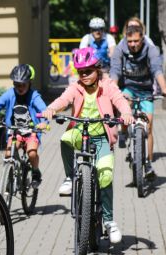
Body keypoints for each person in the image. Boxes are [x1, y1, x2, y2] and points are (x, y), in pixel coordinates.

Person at [42, 47, 133, 244]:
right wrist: (51, 109)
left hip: (101, 138)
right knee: (65, 139)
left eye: (88, 71)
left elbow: (120, 100)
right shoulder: (76, 87)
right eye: (80, 72)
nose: (84, 75)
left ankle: (109, 221)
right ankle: (69, 177)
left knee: (105, 175)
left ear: (97, 69)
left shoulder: (107, 85)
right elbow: (63, 100)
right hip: (80, 133)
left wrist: (126, 113)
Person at [109, 18, 166, 178]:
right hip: (128, 88)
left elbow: (157, 69)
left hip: (145, 91)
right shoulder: (120, 49)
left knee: (148, 128)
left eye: (136, 41)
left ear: (142, 38)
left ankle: (148, 164)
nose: (133, 44)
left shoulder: (151, 49)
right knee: (125, 104)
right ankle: (123, 131)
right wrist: (113, 89)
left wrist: (164, 88)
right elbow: (115, 71)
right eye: (130, 41)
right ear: (126, 39)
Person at [0, 64, 49, 187]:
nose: (20, 87)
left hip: (31, 132)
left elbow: (44, 110)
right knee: (8, 154)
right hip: (15, 131)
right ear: (13, 83)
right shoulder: (10, 94)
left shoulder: (34, 96)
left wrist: (44, 122)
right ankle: (8, 177)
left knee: (31, 152)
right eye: (17, 85)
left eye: (23, 84)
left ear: (29, 83)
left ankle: (35, 172)